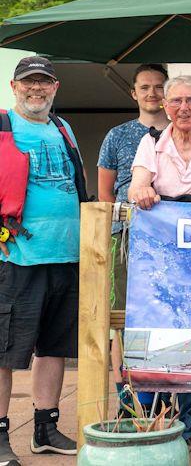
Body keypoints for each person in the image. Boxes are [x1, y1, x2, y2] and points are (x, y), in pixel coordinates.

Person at [128, 75, 191, 450]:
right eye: (176, 102)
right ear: (166, 106)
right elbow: (137, 183)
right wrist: (142, 189)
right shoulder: (151, 141)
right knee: (153, 326)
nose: (183, 108)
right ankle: (143, 417)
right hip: (159, 249)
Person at [0, 56, 88, 463]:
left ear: (55, 87)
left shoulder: (63, 127)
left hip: (65, 254)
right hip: (19, 256)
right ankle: (1, 436)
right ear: (15, 87)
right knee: (6, 352)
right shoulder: (3, 125)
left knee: (53, 347)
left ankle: (45, 426)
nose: (36, 89)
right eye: (28, 83)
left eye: (44, 83)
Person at [97, 63, 170, 415]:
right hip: (125, 237)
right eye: (145, 87)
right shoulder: (118, 135)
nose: (152, 93)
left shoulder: (183, 131)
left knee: (165, 315)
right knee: (122, 319)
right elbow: (105, 194)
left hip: (170, 239)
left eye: (159, 86)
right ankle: (126, 402)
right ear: (134, 92)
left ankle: (163, 399)